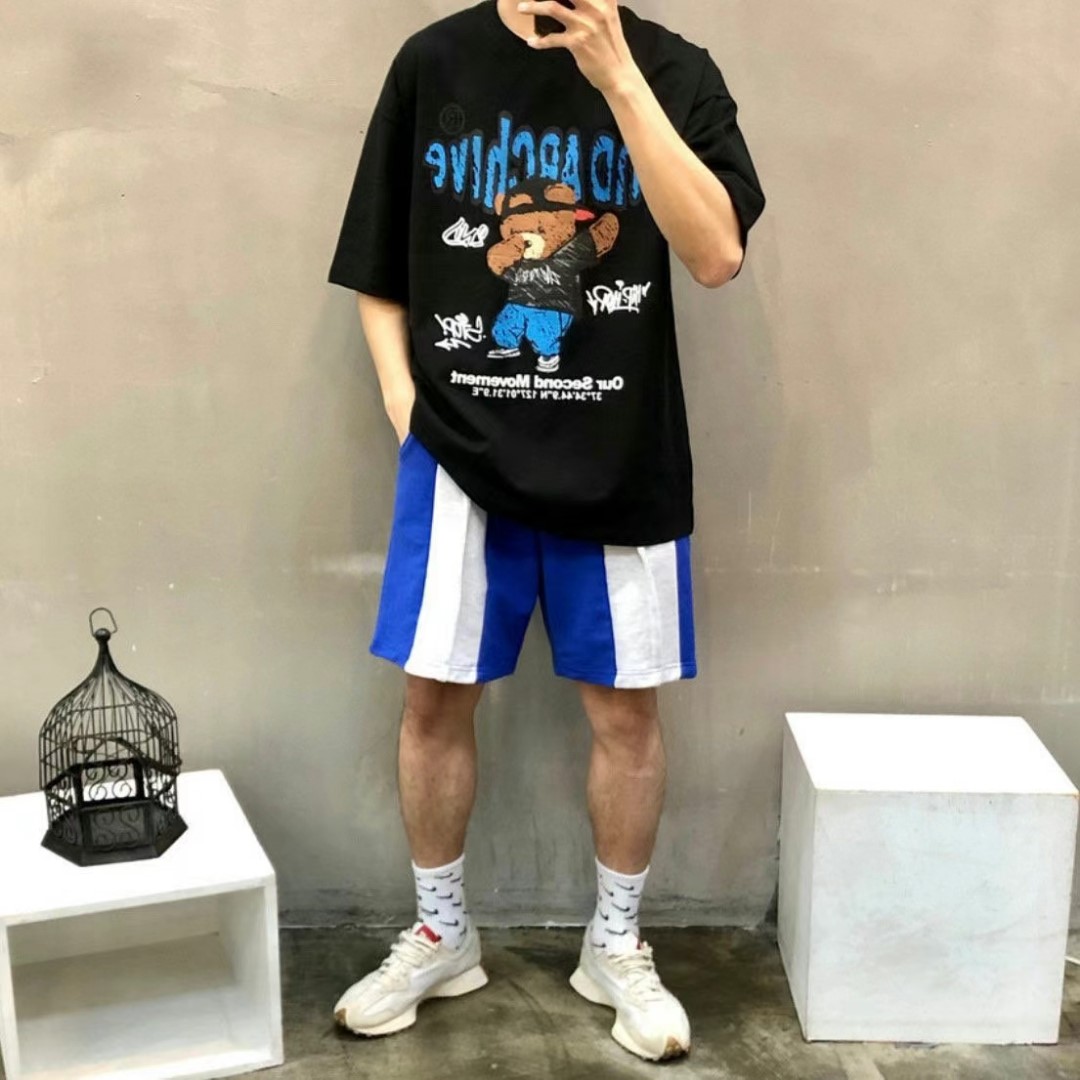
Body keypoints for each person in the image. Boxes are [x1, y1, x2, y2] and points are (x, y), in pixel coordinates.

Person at [326, 0, 765, 1062]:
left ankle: (614, 945)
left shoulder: (675, 70)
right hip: (458, 457)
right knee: (433, 700)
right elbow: (377, 258)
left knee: (626, 714)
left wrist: (618, 79)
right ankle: (443, 934)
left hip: (620, 457)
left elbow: (715, 253)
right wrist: (405, 408)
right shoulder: (433, 62)